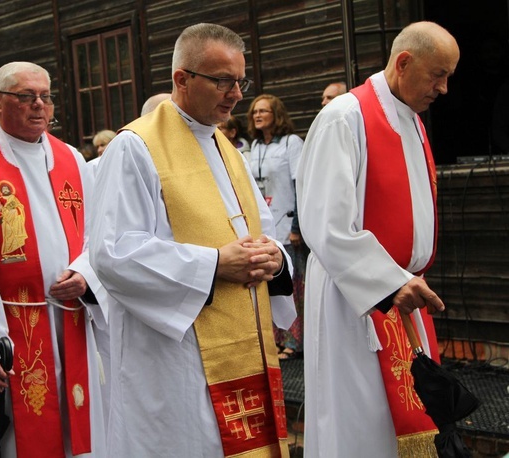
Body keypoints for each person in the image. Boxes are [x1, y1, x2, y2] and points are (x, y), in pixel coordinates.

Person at [89, 23, 296, 457]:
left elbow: (264, 231)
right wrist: (215, 263)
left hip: (244, 348)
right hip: (176, 354)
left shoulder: (228, 150)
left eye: (241, 80)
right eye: (222, 80)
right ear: (182, 79)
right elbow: (113, 254)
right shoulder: (135, 147)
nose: (236, 93)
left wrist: (274, 259)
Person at [297, 21, 457, 457]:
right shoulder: (344, 117)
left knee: (408, 421)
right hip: (357, 299)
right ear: (404, 63)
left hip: (402, 294)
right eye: (437, 74)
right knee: (359, 423)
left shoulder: (412, 120)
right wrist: (389, 281)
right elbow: (325, 222)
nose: (443, 88)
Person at [0, 61, 106, 457]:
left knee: (79, 432)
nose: (39, 106)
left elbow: (97, 235)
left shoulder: (71, 159)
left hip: (72, 316)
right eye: (26, 97)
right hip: (12, 330)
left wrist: (86, 274)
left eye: (45, 97)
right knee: (21, 435)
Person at [245, 94, 304, 359]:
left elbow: (300, 186)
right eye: (255, 111)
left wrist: (297, 226)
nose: (258, 115)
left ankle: (295, 342)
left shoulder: (291, 143)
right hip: (267, 229)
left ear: (276, 114)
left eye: (264, 111)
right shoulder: (255, 146)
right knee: (271, 287)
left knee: (293, 287)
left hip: (288, 225)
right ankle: (277, 340)